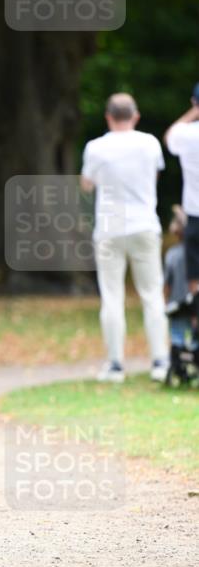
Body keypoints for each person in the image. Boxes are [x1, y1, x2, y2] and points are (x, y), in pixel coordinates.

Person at [81, 92, 168, 383]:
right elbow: (154, 177)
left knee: (112, 296)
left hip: (109, 228)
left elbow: (87, 185)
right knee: (152, 294)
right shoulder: (150, 143)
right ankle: (160, 361)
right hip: (144, 224)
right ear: (136, 116)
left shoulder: (95, 147)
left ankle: (116, 364)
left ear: (108, 116)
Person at [164, 82, 199, 317]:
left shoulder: (187, 135)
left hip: (196, 215)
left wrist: (194, 111)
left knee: (195, 280)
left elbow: (169, 137)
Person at [163, 206, 198, 383]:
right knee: (195, 337)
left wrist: (165, 302)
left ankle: (178, 366)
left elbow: (167, 284)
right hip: (193, 306)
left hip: (176, 306)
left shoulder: (172, 255)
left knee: (177, 336)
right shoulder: (195, 255)